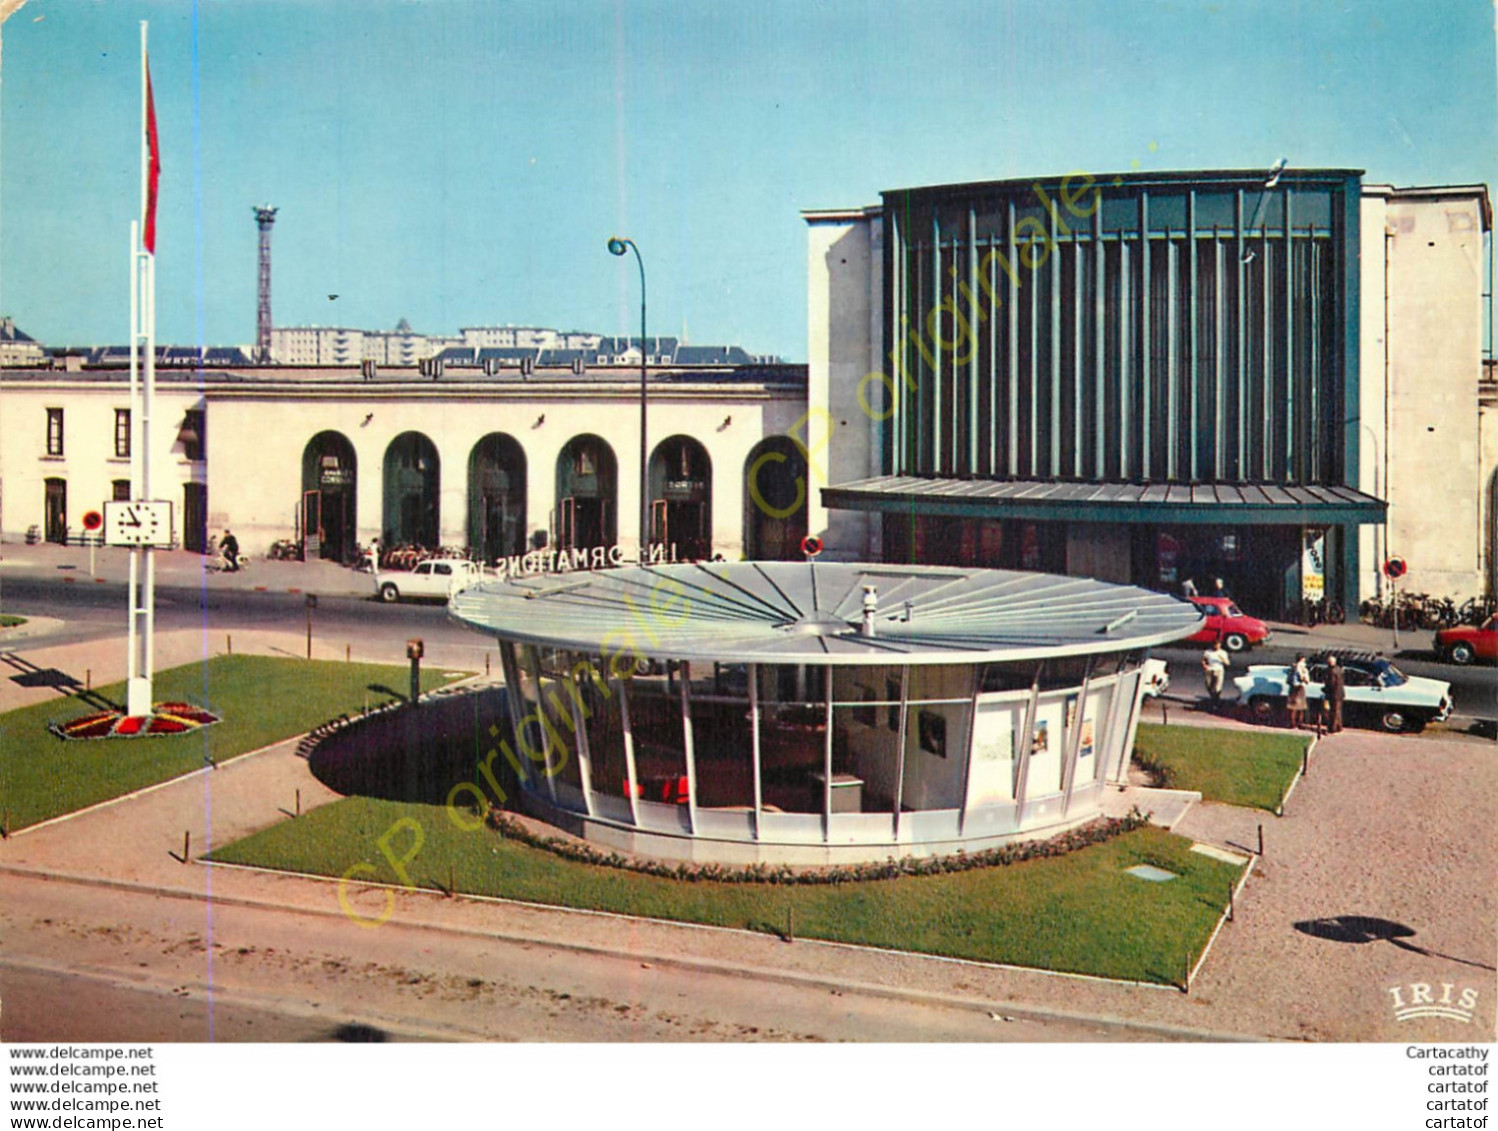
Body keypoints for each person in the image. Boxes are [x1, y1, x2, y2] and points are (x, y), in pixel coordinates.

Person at [1201, 636, 1230, 703]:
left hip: (1219, 670)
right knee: (1209, 685)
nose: (1216, 646)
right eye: (1215, 644)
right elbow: (1203, 659)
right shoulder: (1208, 652)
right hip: (1210, 670)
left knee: (1217, 687)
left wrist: (1222, 659)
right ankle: (1213, 697)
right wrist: (1205, 665)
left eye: (1218, 644)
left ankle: (1216, 700)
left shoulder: (1223, 653)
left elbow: (1228, 663)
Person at [1286, 653, 1310, 729]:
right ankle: (1299, 723)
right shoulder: (1301, 666)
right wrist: (1306, 680)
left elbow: (1288, 678)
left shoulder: (1293, 666)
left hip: (1292, 687)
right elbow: (1302, 676)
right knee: (1300, 707)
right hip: (1299, 687)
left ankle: (1292, 723)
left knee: (1292, 706)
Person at [1323, 654, 1345, 734]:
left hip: (1334, 694)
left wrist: (1325, 689)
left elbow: (1331, 684)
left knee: (1334, 711)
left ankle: (1333, 728)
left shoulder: (1331, 671)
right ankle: (1339, 726)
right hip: (1340, 693)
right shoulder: (1338, 669)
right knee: (1338, 711)